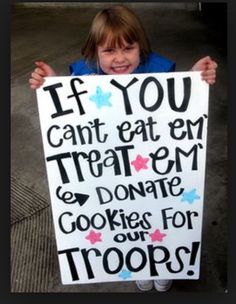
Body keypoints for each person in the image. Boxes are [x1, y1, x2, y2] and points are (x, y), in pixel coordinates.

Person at [29, 4, 217, 292]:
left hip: (153, 164)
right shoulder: (85, 76)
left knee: (157, 209)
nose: (119, 59)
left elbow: (178, 103)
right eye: (109, 51)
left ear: (140, 46)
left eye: (128, 48)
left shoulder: (158, 69)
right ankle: (141, 263)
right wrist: (52, 86)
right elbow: (70, 113)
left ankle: (162, 262)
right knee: (127, 215)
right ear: (94, 51)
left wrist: (195, 78)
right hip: (111, 170)